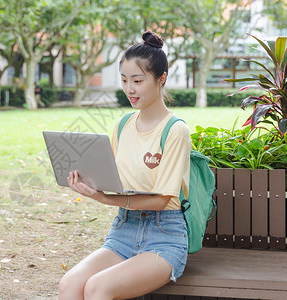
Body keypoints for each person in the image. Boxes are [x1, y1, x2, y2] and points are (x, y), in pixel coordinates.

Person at [58, 30, 191, 300]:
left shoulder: (175, 130)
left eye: (138, 80)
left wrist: (104, 199)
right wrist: (91, 185)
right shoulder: (122, 125)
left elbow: (164, 199)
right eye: (124, 80)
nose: (130, 89)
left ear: (161, 79)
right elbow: (114, 182)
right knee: (70, 284)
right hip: (123, 231)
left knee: (98, 287)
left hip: (164, 237)